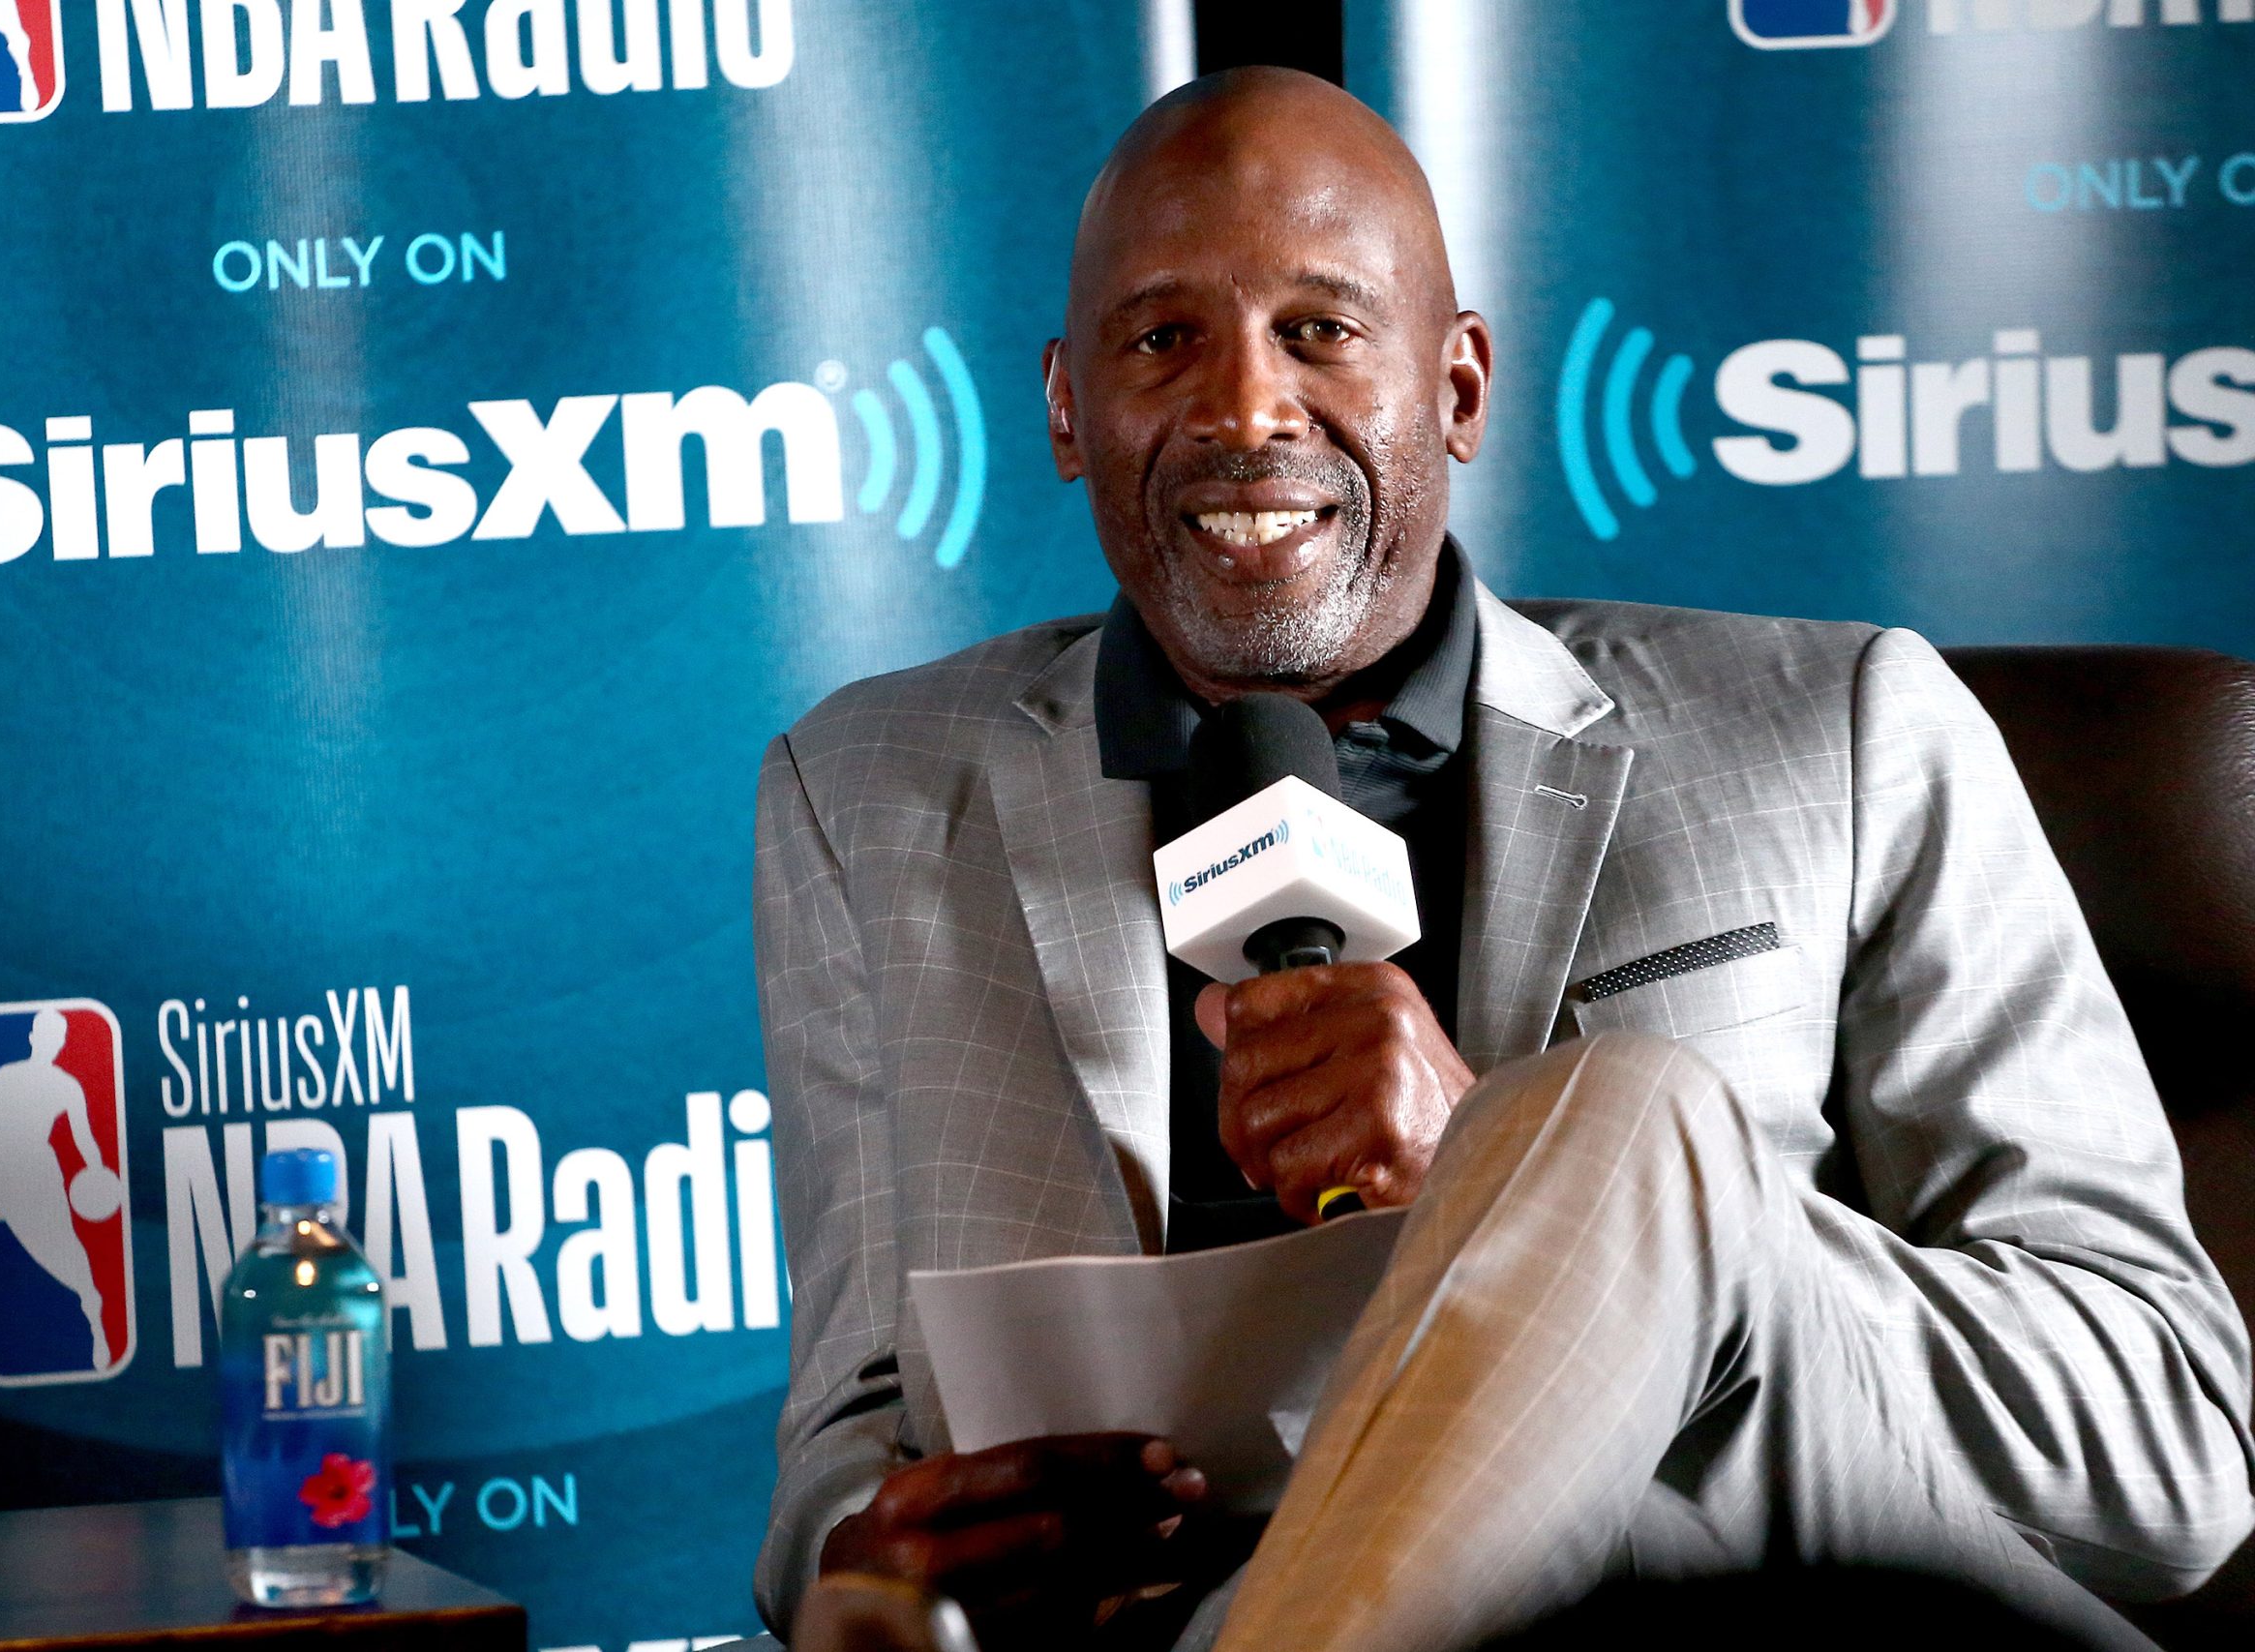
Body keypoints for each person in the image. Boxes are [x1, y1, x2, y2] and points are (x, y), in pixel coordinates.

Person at [751, 68, 2254, 1652]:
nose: (1246, 409)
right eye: (1162, 338)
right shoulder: (868, 790)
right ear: (1067, 409)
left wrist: (1570, 1208)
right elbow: (844, 1457)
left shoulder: (1847, 729)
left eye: (1321, 329)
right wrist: (883, 1542)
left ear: (1458, 388)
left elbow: (2163, 1447)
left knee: (1624, 1114)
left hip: (1726, 1613)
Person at [0, 1007, 112, 1369]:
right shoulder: (6, 1076)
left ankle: (93, 1317)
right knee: (13, 1251)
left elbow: (85, 1139)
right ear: (33, 1037)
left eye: (57, 1037)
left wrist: (96, 1172)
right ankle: (42, 1323)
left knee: (63, 1245)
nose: (51, 1042)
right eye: (45, 1034)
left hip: (40, 1169)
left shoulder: (68, 1086)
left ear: (61, 1044)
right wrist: (13, 1132)